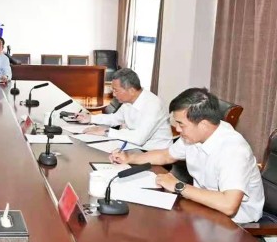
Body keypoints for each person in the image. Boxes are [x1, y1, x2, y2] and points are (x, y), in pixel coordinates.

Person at [110, 87, 264, 223]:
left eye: (181, 124)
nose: (177, 129)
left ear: (203, 125)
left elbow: (228, 205)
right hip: (203, 207)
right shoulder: (195, 135)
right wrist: (130, 157)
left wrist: (179, 186)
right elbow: (166, 156)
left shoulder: (233, 150)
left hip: (236, 223)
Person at [77, 68, 173, 150]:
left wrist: (106, 131)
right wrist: (91, 118)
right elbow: (115, 118)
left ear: (131, 90)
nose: (114, 94)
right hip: (134, 147)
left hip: (154, 154)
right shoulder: (129, 101)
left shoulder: (153, 105)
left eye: (116, 90)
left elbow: (139, 138)